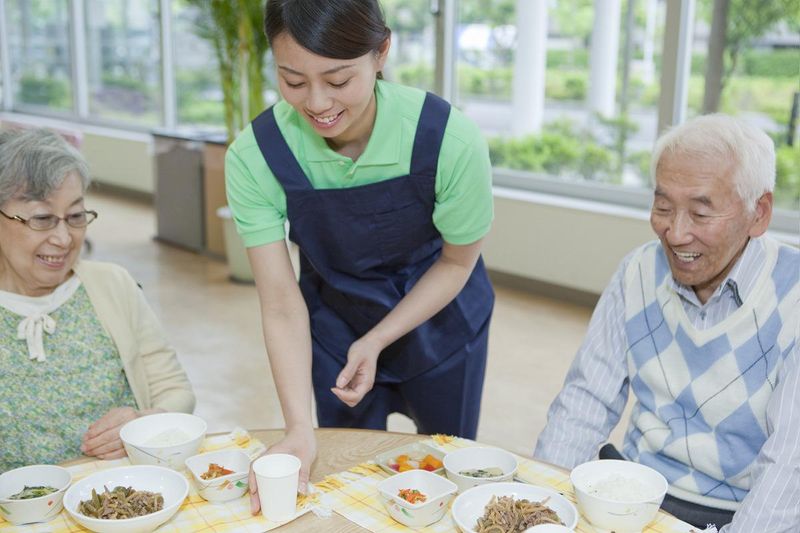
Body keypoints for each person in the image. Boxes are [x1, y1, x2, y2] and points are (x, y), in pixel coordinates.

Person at [225, 0, 494, 507]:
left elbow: (457, 262)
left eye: (338, 79)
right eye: (293, 80)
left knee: (446, 478)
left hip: (443, 323)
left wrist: (378, 339)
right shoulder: (255, 154)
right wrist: (298, 427)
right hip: (334, 325)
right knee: (344, 477)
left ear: (381, 52)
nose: (318, 102)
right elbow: (280, 302)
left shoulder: (447, 139)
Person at [534, 114, 799, 532]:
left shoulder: (794, 297)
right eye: (662, 207)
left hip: (738, 511)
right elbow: (585, 401)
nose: (674, 233)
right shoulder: (638, 270)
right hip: (631, 492)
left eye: (700, 213)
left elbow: (789, 468)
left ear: (758, 213)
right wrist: (546, 508)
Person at [0, 128, 195, 472]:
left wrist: (142, 422)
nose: (63, 238)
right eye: (42, 218)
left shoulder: (112, 285)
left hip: (123, 497)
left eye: (75, 216)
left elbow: (175, 389)